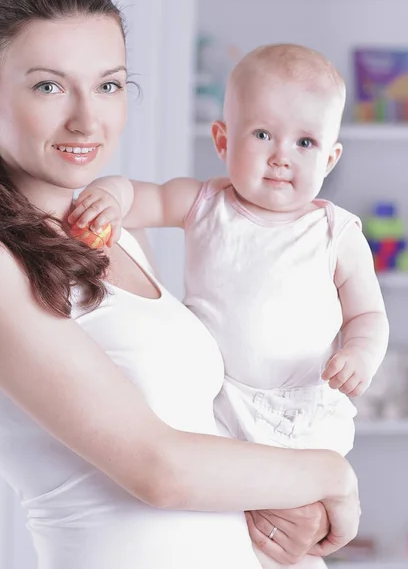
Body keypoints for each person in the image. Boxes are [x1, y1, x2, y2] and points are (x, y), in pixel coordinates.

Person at [0, 0, 360, 568]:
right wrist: (333, 478)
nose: (87, 122)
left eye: (110, 85)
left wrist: (293, 509)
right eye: (48, 86)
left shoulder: (113, 226)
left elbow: (202, 439)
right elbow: (159, 469)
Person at [68, 43, 390, 566]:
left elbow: (368, 315)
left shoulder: (335, 231)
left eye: (305, 142)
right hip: (220, 410)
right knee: (229, 535)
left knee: (288, 542)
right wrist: (111, 195)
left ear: (330, 157)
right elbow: (140, 198)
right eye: (262, 134)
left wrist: (360, 355)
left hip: (300, 416)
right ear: (222, 139)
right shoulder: (204, 203)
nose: (282, 154)